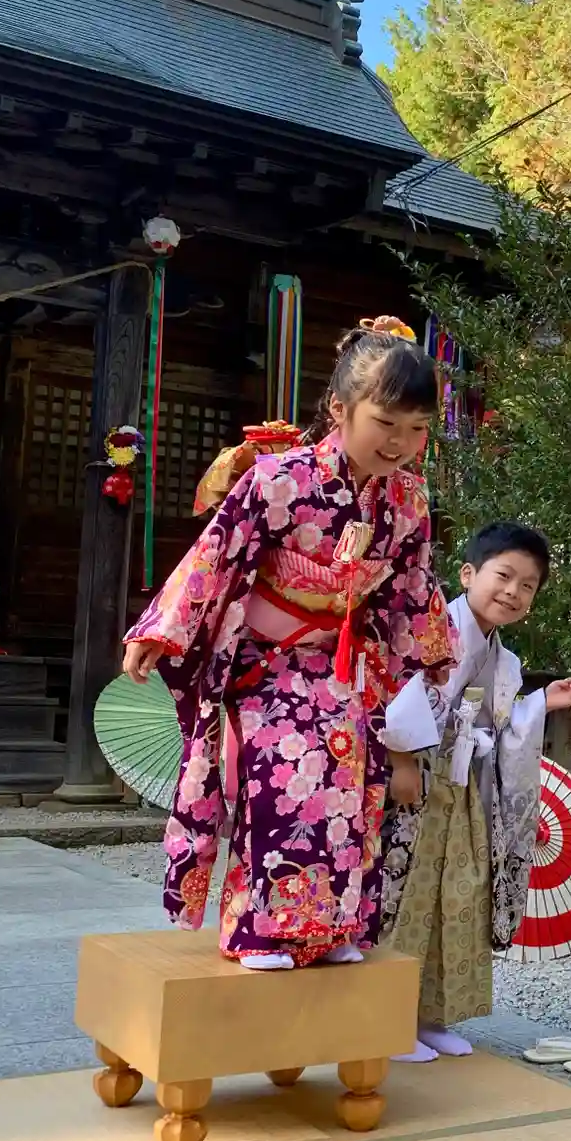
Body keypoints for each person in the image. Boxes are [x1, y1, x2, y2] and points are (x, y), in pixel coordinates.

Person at [121, 318, 456, 970]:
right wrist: (164, 628)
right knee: (283, 784)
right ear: (340, 409)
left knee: (353, 793)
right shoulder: (279, 480)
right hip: (267, 666)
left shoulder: (409, 500)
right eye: (386, 422)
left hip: (342, 664)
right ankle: (260, 930)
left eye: (417, 429)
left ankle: (331, 930)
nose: (401, 442)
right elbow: (215, 554)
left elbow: (413, 582)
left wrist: (431, 649)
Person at [377, 521, 571, 1060]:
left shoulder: (503, 660)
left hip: (463, 788)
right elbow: (393, 694)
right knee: (405, 895)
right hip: (416, 782)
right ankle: (382, 1019)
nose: (513, 592)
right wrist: (401, 760)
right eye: (504, 576)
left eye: (527, 586)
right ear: (469, 574)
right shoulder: (430, 631)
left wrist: (541, 703)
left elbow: (501, 728)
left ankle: (429, 1015)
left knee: (457, 896)